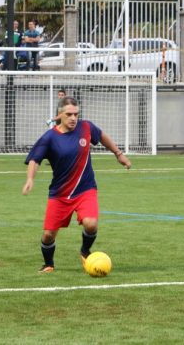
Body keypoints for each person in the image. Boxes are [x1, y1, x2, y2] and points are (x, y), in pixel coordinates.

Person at [23, 95, 131, 273]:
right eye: (69, 114)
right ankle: (48, 264)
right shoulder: (50, 138)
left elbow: (102, 136)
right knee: (48, 234)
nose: (73, 118)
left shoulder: (86, 127)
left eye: (76, 114)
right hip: (60, 194)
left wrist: (118, 154)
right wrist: (30, 179)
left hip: (85, 189)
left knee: (91, 224)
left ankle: (85, 251)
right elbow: (35, 160)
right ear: (60, 115)